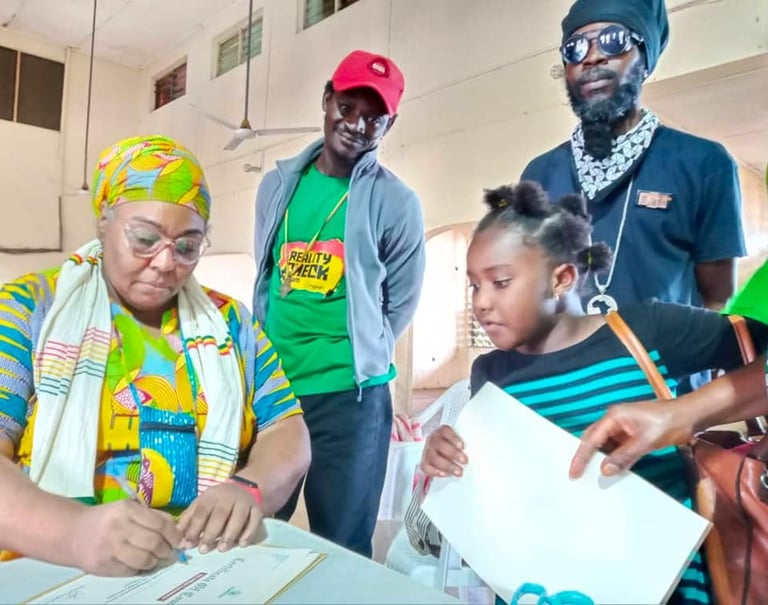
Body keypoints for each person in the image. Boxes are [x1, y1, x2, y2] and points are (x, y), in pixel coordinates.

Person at [419, 181, 768, 605]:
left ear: (562, 278)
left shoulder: (647, 330)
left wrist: (687, 412)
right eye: (474, 285)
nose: (481, 302)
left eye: (501, 282)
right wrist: (445, 459)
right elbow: (494, 491)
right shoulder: (489, 373)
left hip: (663, 584)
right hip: (543, 586)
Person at [0, 135, 310, 576]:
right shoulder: (31, 309)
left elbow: (287, 429)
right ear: (104, 223)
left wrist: (249, 488)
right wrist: (75, 532)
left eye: (187, 247)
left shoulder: (231, 324)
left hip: (194, 565)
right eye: (145, 238)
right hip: (52, 566)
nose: (166, 263)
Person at [252, 49, 426, 557]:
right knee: (255, 531)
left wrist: (365, 351)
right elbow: (266, 274)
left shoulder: (397, 202)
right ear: (327, 99)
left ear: (389, 125)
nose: (357, 125)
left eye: (375, 118)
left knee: (343, 544)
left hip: (352, 399)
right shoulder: (278, 186)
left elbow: (402, 300)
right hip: (275, 391)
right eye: (347, 108)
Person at [520, 0, 744, 317]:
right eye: (575, 48)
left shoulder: (704, 163)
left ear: (644, 60)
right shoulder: (539, 174)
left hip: (665, 350)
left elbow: (717, 295)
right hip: (568, 351)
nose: (592, 57)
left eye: (613, 41)